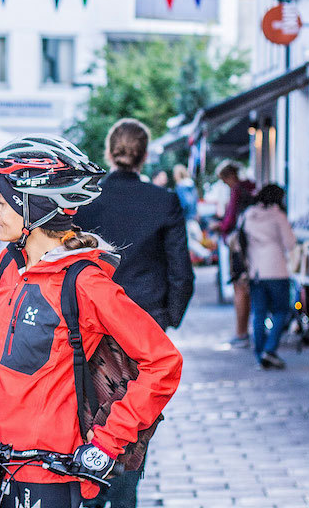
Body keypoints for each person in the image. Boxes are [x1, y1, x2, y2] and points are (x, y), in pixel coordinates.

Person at [0, 134, 183, 508]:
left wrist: (108, 441)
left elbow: (163, 362)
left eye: (4, 202)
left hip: (54, 471)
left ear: (34, 208)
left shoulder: (85, 282)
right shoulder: (7, 266)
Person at [71, 120, 193, 508]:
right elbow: (181, 269)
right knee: (133, 416)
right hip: (143, 328)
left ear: (110, 152)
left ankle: (89, 491)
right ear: (144, 155)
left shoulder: (87, 199)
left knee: (85, 414)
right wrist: (168, 317)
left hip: (89, 326)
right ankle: (123, 495)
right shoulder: (163, 201)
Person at [241, 184, 297, 370]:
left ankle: (260, 354)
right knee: (281, 311)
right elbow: (290, 243)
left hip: (255, 271)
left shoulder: (248, 215)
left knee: (259, 313)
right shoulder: (277, 216)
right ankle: (270, 349)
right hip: (276, 270)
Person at [216, 160, 256, 348]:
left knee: (239, 287)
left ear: (229, 176)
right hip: (253, 245)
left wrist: (220, 227)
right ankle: (245, 332)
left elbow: (230, 219)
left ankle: (241, 333)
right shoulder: (251, 187)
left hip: (239, 245)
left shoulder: (237, 190)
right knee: (246, 287)